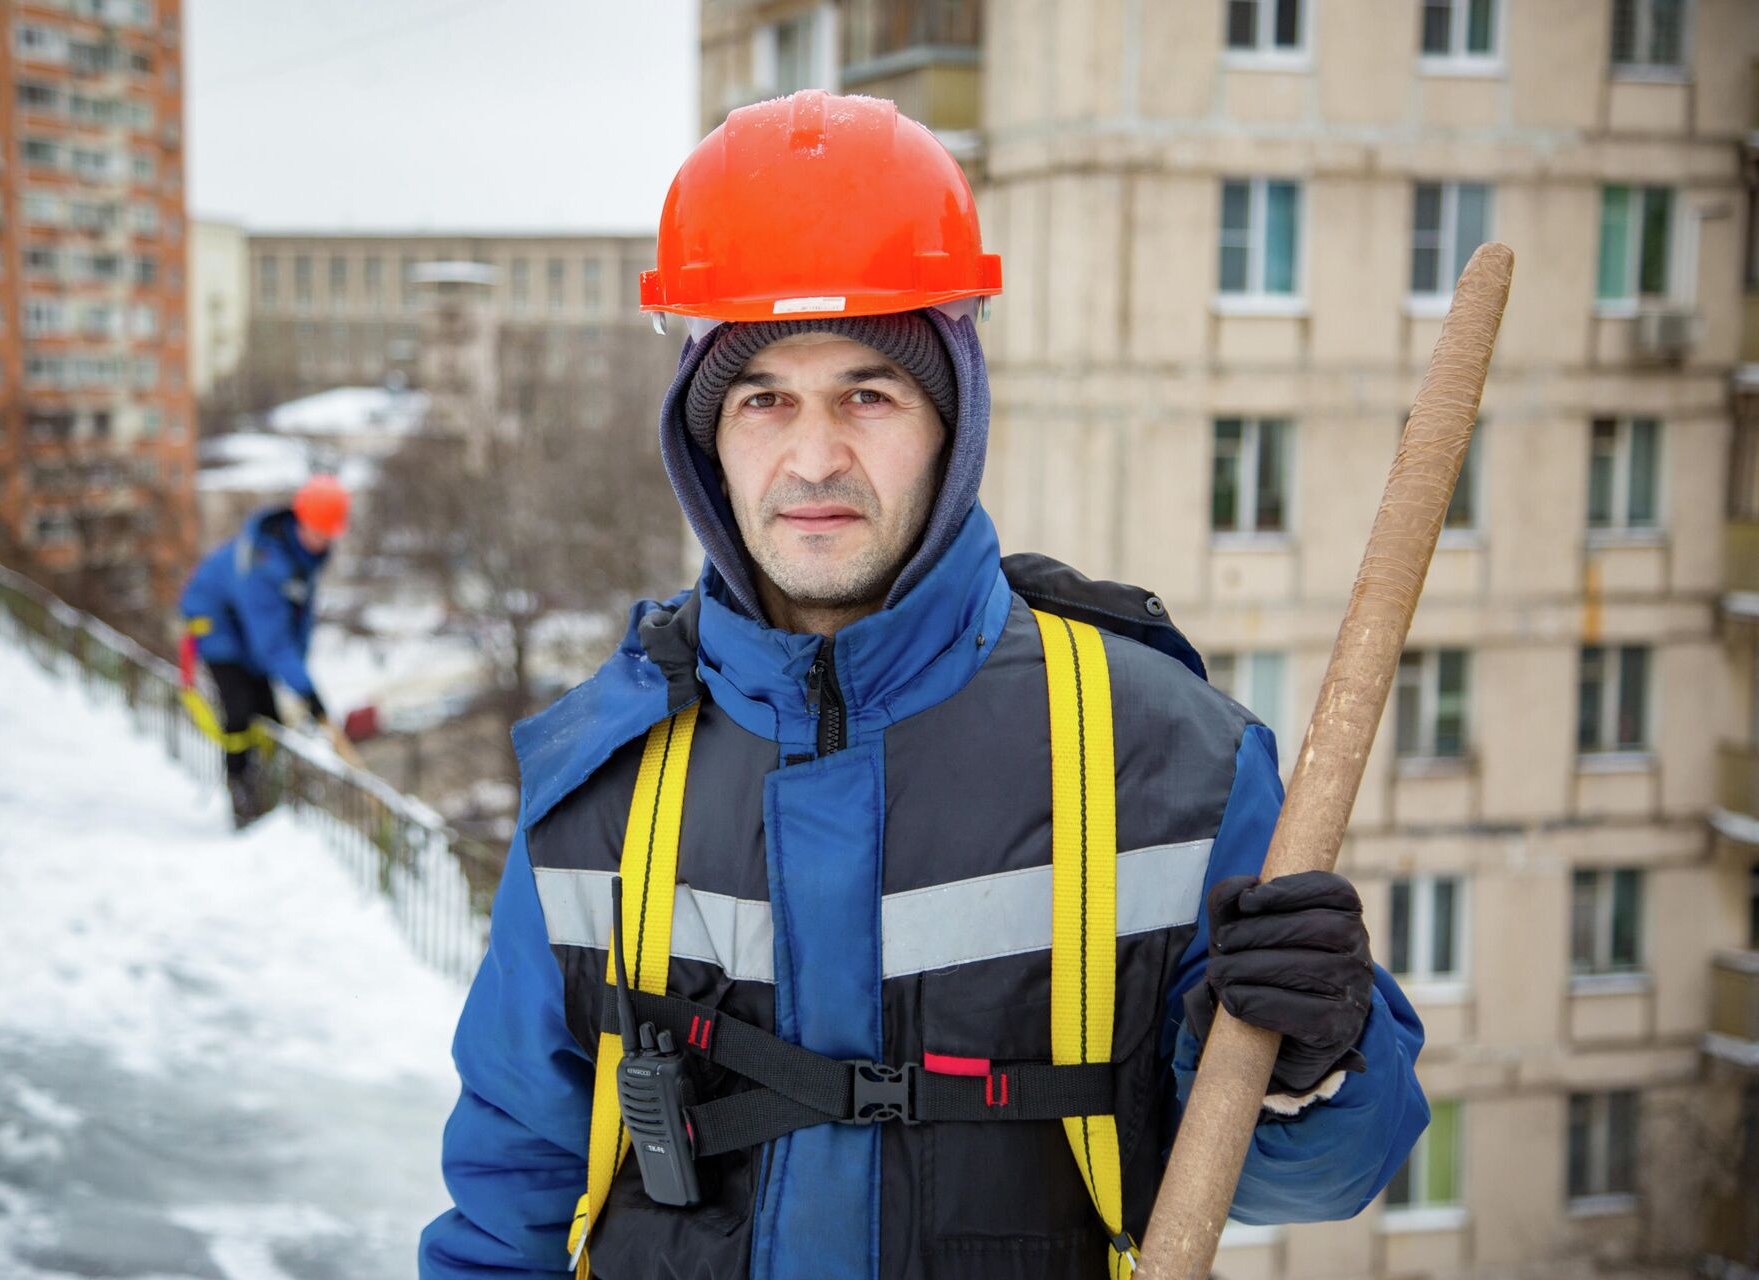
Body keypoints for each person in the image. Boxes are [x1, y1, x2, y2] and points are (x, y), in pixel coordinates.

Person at [421, 91, 1427, 1280]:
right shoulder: (605, 787)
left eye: (867, 393)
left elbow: (1309, 1175)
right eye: (764, 399)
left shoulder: (1163, 758)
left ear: (952, 420)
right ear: (707, 440)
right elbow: (509, 1206)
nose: (812, 458)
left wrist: (1317, 1057)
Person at [178, 474, 348, 827]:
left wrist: (296, 674)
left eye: (328, 535)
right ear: (300, 521)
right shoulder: (265, 563)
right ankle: (242, 796)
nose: (323, 542)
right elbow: (271, 641)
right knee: (240, 710)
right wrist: (306, 690)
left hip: (246, 627)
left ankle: (272, 798)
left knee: (270, 717)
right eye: (319, 533)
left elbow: (295, 627)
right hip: (217, 624)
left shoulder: (302, 558)